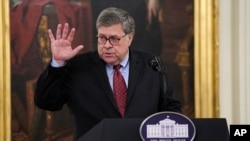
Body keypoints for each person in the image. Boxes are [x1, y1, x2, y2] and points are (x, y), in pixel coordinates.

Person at [34, 7, 181, 140]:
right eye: (102, 38)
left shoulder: (152, 64)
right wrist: (57, 63)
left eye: (114, 39)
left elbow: (170, 107)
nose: (107, 45)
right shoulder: (79, 67)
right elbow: (46, 102)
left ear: (130, 38)